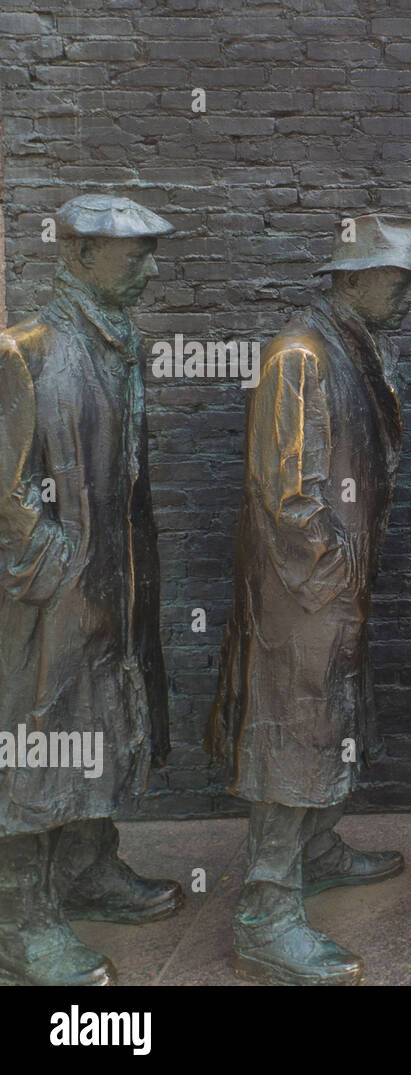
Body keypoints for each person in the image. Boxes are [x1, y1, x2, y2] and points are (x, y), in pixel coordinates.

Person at [208, 214, 411, 984]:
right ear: (350, 278)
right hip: (303, 597)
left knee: (331, 723)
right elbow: (289, 496)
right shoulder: (301, 356)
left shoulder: (350, 349)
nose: (409, 291)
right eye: (397, 278)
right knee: (291, 737)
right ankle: (266, 914)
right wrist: (337, 573)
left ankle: (317, 849)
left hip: (332, 592)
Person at [0, 194, 181, 985]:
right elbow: (5, 492)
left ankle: (87, 864)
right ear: (77, 255)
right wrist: (52, 566)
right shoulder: (25, 349)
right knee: (35, 744)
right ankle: (20, 917)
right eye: (133, 252)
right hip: (47, 600)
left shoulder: (117, 341)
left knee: (101, 719)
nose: (150, 266)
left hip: (109, 584)